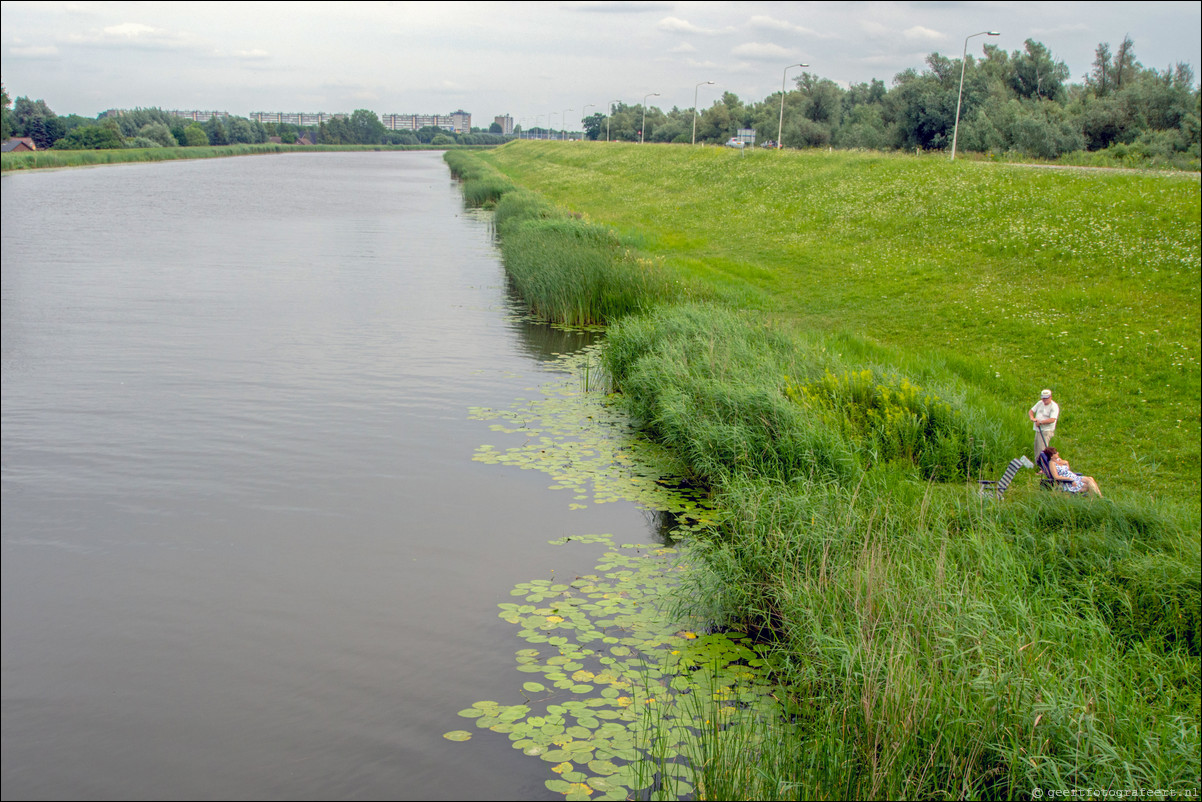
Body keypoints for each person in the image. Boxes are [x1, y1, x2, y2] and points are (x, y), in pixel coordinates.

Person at [1028, 389, 1059, 463]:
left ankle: (1044, 467)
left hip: (1046, 430)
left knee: (1042, 450)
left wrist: (1041, 422)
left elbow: (1052, 419)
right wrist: (1032, 418)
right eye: (1043, 398)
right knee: (1037, 448)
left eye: (1046, 398)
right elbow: (1031, 411)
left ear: (1050, 397)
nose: (1044, 400)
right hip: (1038, 429)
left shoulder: (1054, 406)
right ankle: (1038, 464)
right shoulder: (1040, 403)